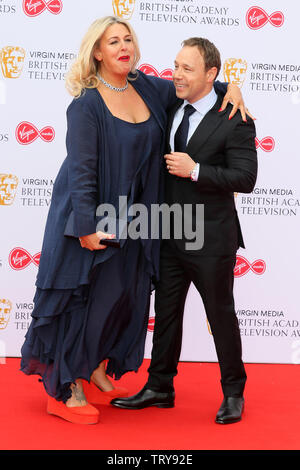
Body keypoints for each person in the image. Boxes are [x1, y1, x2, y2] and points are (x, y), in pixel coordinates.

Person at [20, 17, 247, 425]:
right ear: (97, 52)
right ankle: (65, 388)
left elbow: (197, 87)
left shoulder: (146, 86)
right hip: (88, 215)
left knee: (117, 296)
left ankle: (93, 368)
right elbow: (82, 172)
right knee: (81, 298)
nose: (123, 47)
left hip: (138, 219)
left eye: (128, 39)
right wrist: (86, 226)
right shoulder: (86, 104)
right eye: (113, 42)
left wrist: (231, 87)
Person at [111, 37, 258, 425]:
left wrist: (195, 169)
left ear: (211, 75)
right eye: (175, 65)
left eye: (187, 68)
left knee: (220, 315)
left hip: (211, 239)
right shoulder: (172, 101)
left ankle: (233, 392)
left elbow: (246, 177)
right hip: (170, 234)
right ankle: (160, 386)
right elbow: (132, 77)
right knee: (167, 314)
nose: (176, 74)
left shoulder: (235, 118)